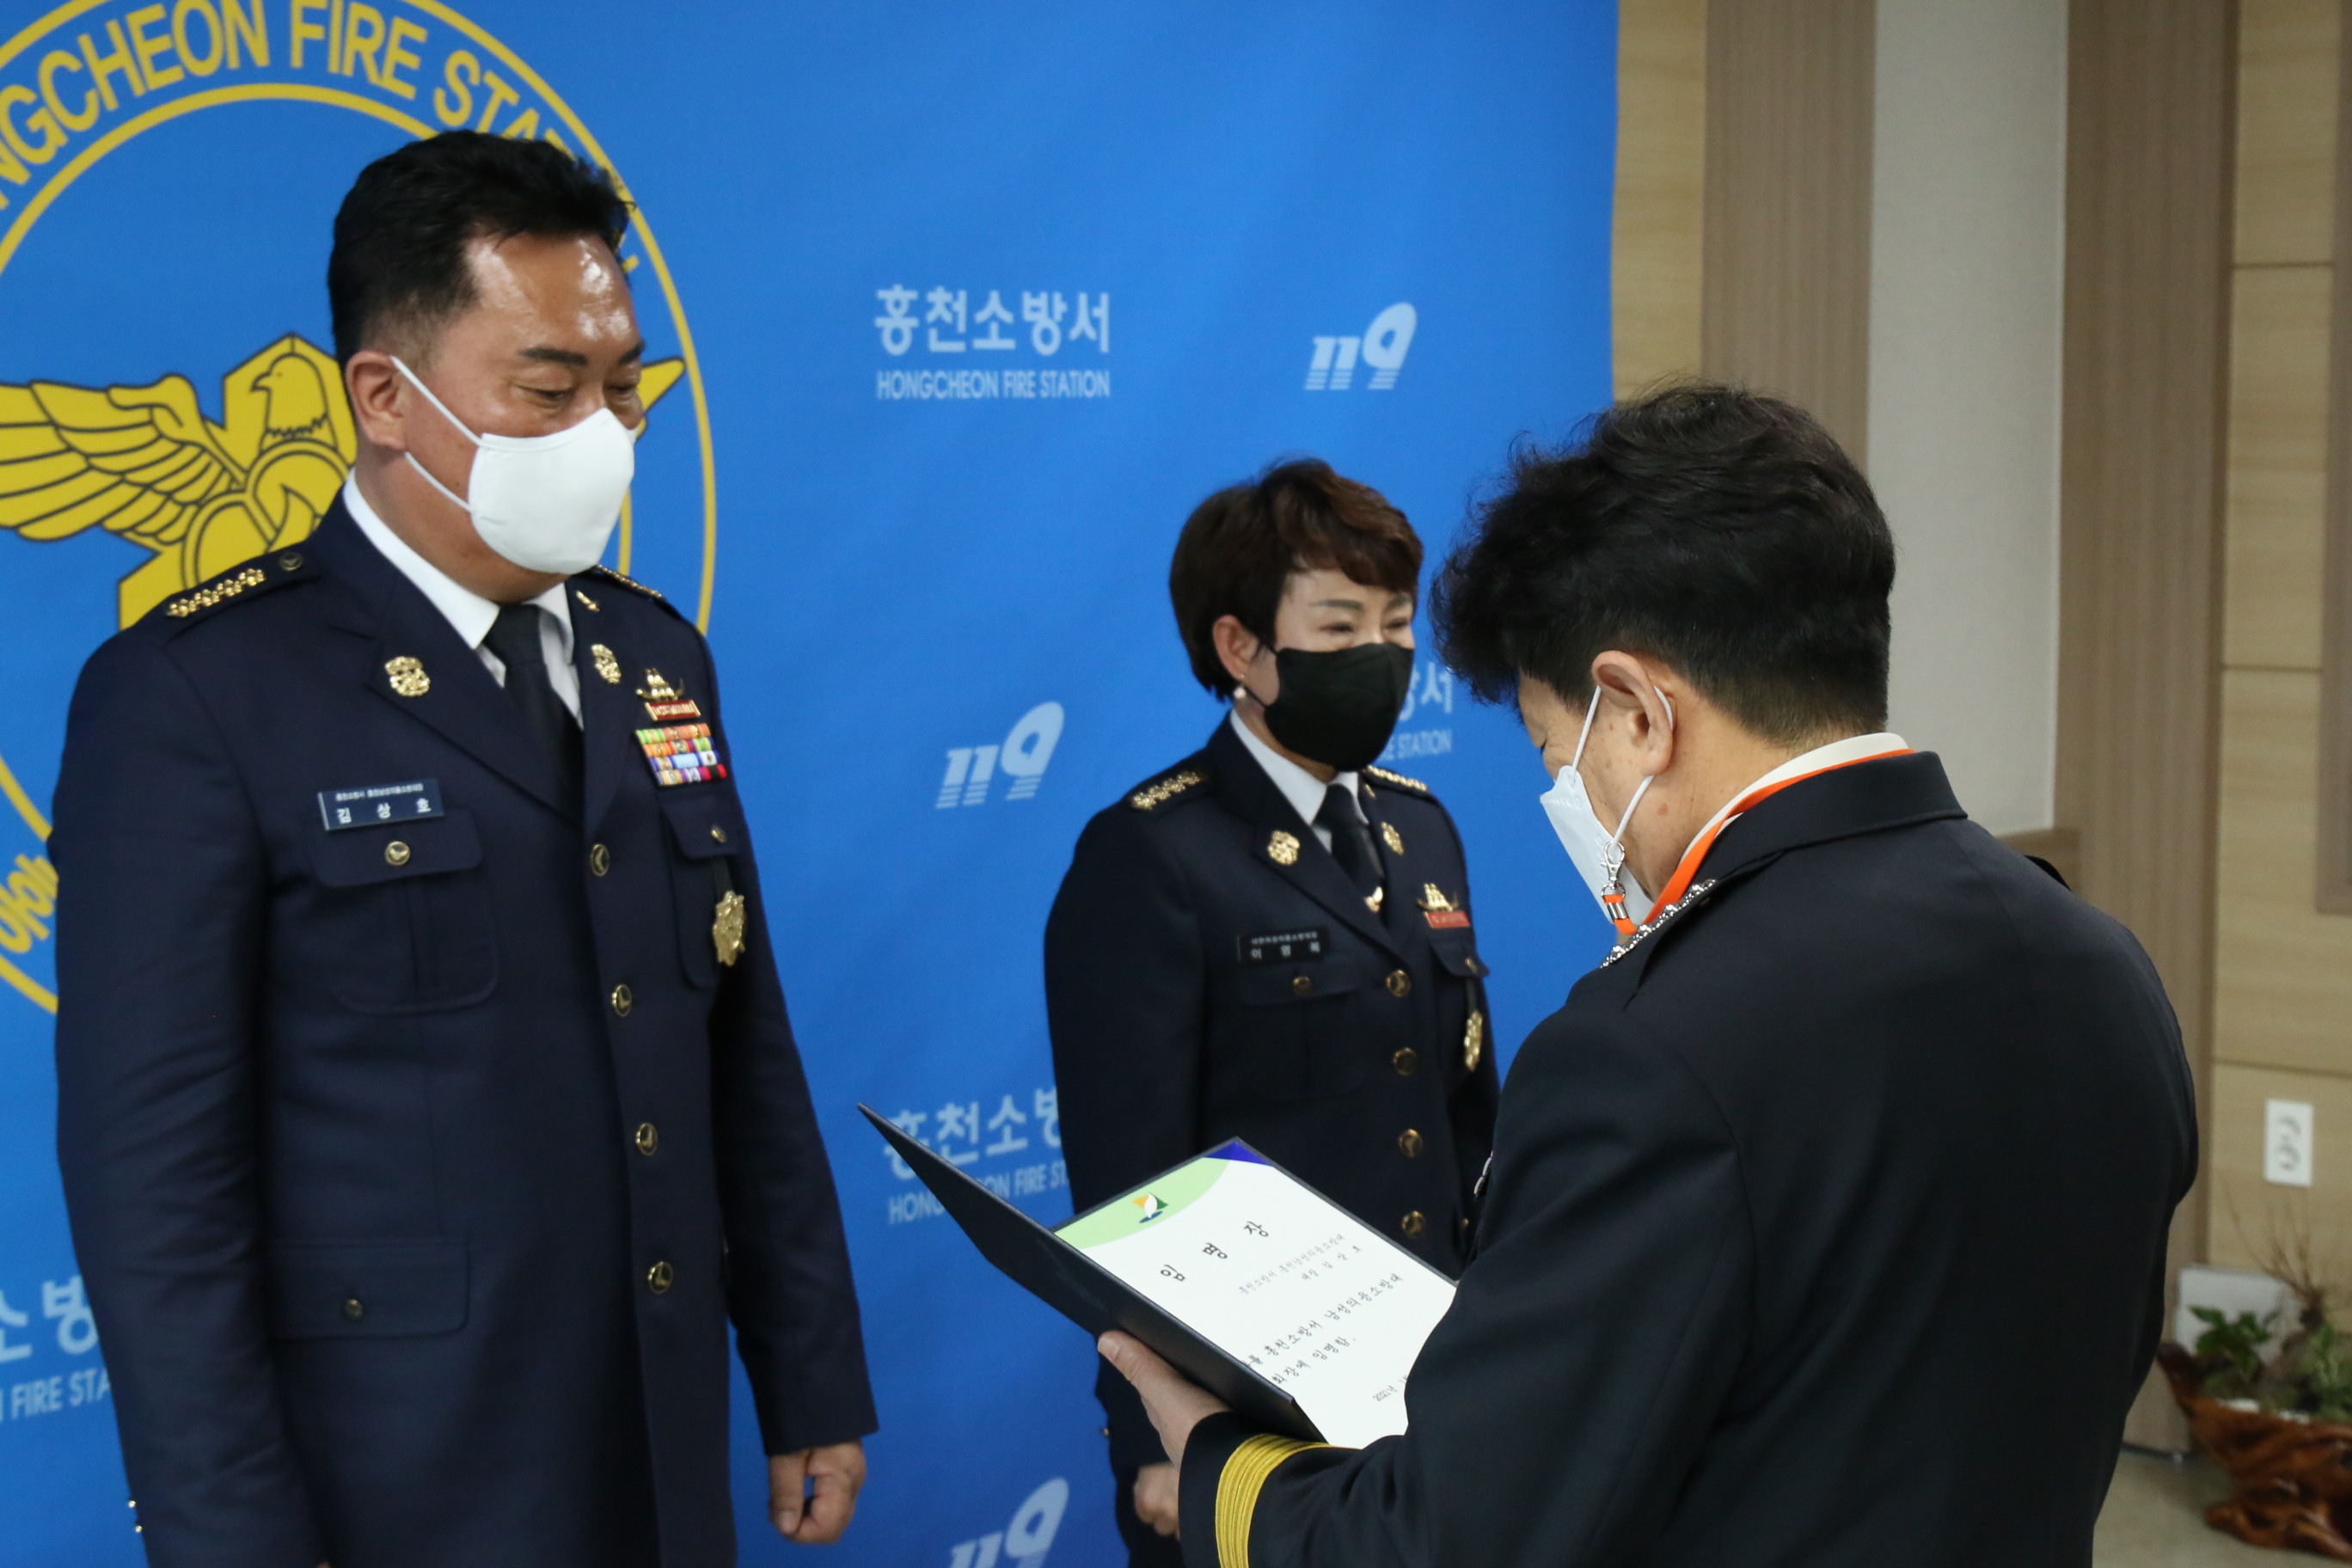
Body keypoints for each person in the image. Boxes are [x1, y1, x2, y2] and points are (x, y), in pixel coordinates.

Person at [1096, 386, 2197, 1568]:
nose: (1560, 793)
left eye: (1550, 750)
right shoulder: (2102, 965)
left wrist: (1217, 1464)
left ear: (1635, 713)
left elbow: (1450, 1544)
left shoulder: (1651, 1051)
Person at [51, 132, 874, 1568]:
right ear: (385, 396)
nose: (603, 433)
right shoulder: (199, 692)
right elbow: (157, 1193)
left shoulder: (652, 656)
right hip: (399, 1478)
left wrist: (808, 1377)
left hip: (658, 1441)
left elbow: (740, 1049)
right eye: (551, 391)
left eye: (623, 388)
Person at [1045, 459, 1498, 1566]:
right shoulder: (1154, 852)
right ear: (1241, 647)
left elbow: (1466, 1123)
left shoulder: (1421, 828)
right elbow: (1130, 1188)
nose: (1381, 656)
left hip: (1436, 1388)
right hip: (1254, 1412)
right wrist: (1153, 1440)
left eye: (1396, 625)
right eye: (1339, 626)